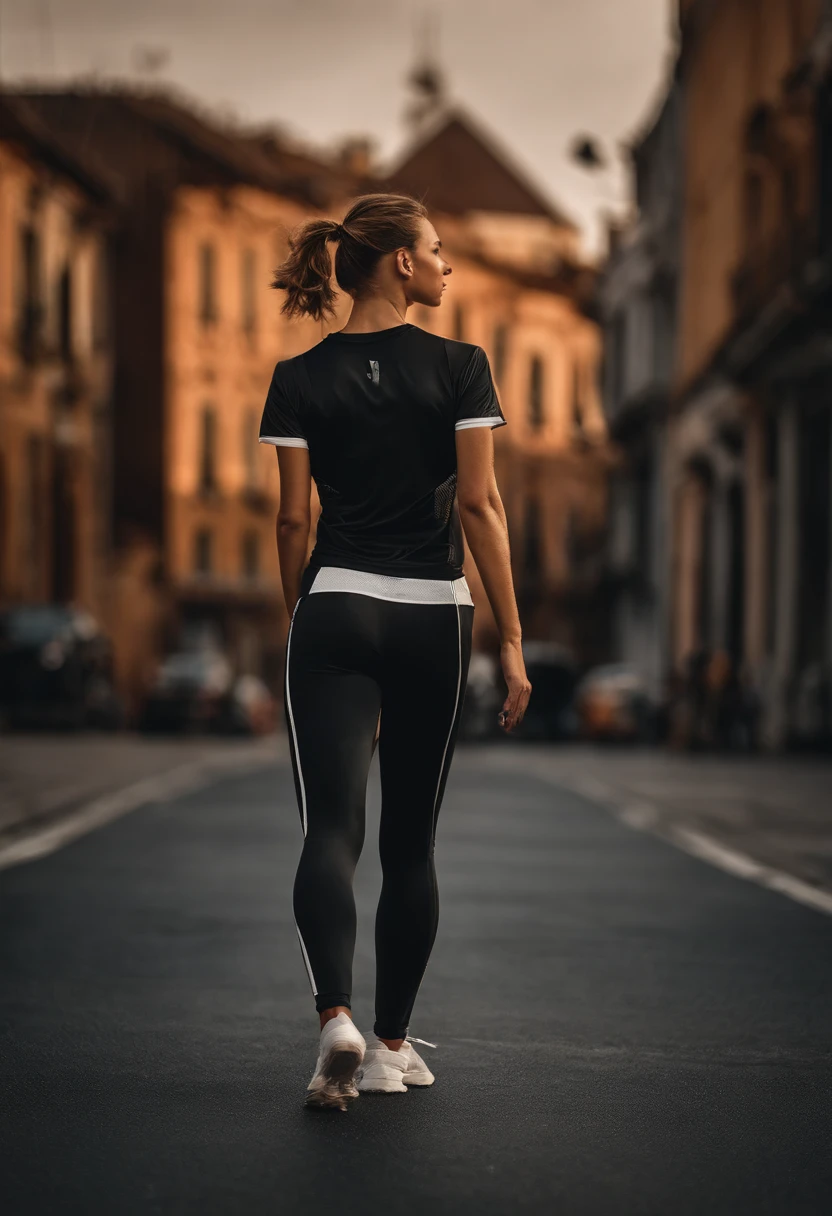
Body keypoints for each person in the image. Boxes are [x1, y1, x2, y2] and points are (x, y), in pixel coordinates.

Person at [260, 192, 531, 1111]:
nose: (449, 265)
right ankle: (387, 1045)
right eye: (439, 250)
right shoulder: (462, 367)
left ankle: (332, 1017)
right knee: (411, 843)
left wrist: (299, 617)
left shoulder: (297, 377)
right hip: (432, 614)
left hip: (335, 604)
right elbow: (481, 507)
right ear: (402, 265)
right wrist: (515, 638)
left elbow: (294, 518)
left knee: (330, 829)